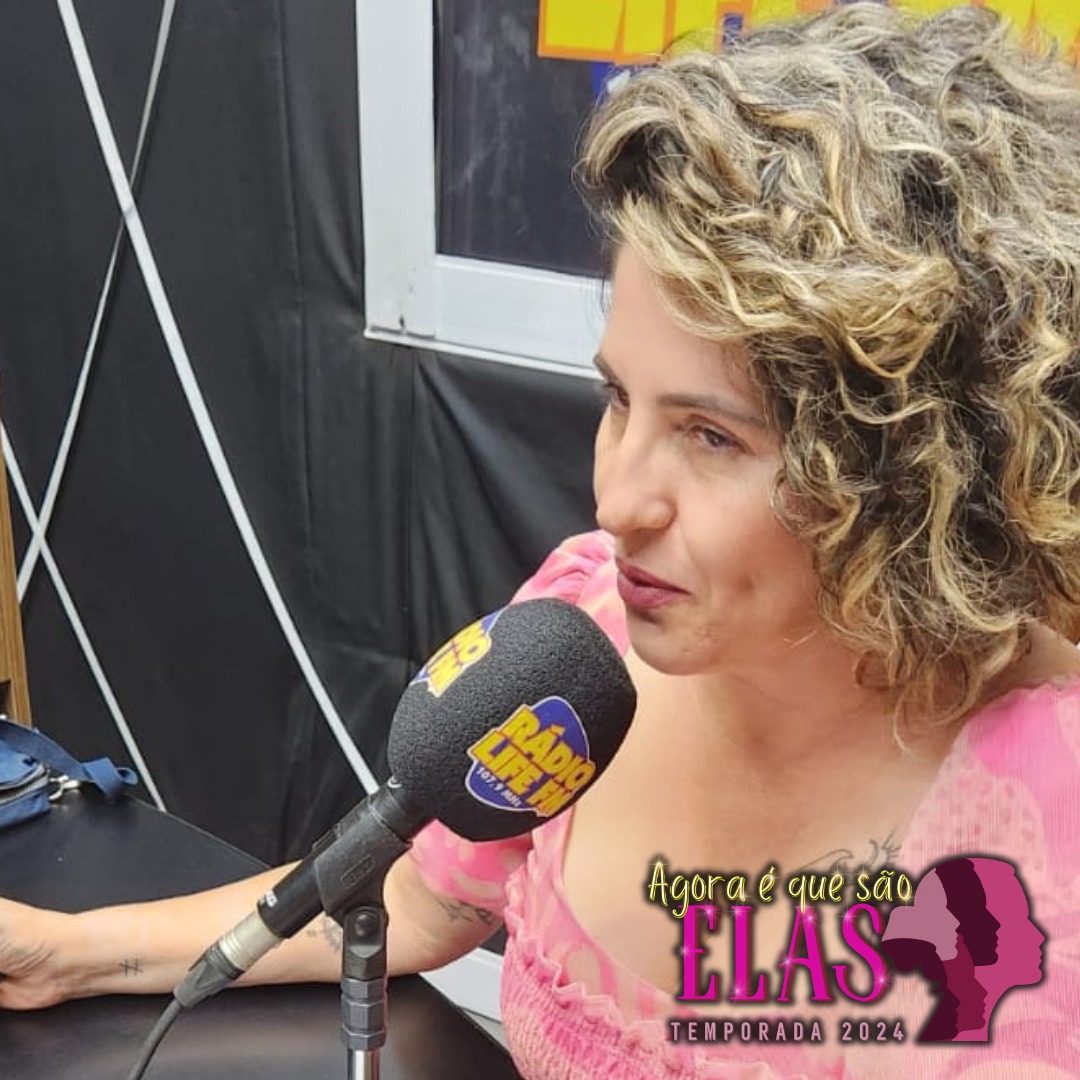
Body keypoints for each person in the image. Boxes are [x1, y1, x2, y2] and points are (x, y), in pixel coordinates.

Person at [3, 3, 1080, 1077]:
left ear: (919, 471)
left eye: (710, 435)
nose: (617, 502)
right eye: (619, 399)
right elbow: (416, 900)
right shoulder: (581, 646)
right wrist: (70, 955)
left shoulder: (1055, 792)